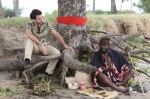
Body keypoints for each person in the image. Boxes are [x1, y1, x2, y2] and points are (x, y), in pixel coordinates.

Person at [24, 9, 73, 75]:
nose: (41, 19)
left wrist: (65, 45)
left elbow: (56, 34)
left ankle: (47, 73)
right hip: (34, 46)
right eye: (39, 19)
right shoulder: (29, 24)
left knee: (57, 54)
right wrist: (41, 44)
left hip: (44, 44)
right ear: (33, 19)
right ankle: (27, 61)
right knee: (29, 39)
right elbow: (29, 34)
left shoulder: (46, 24)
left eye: (42, 17)